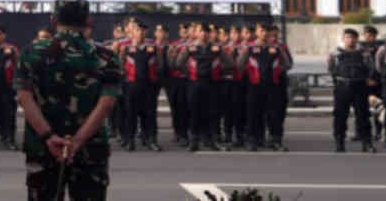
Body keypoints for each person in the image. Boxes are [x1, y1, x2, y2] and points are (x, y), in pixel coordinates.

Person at [16, 0, 120, 201]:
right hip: (90, 147)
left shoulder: (33, 52)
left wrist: (48, 137)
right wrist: (78, 141)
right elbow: (107, 103)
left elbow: (24, 98)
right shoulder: (106, 55)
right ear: (88, 20)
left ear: (53, 20)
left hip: (43, 148)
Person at [176, 23, 234, 152]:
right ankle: (194, 141)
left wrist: (218, 71)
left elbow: (230, 63)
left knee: (213, 113)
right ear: (196, 33)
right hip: (194, 84)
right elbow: (178, 63)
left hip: (212, 84)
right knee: (194, 113)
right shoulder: (190, 48)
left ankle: (213, 140)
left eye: (206, 31)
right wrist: (191, 72)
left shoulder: (216, 48)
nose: (204, 33)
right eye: (201, 31)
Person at [237, 23, 292, 151]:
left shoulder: (276, 48)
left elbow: (287, 64)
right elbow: (239, 64)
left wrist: (277, 70)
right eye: (261, 31)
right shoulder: (250, 48)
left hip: (272, 86)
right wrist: (250, 71)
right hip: (254, 86)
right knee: (253, 114)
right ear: (256, 32)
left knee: (274, 114)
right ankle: (253, 140)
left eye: (266, 31)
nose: (264, 33)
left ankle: (276, 140)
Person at [329, 28, 376, 153]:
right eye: (347, 37)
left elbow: (371, 68)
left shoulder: (364, 53)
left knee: (363, 116)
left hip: (359, 86)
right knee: (340, 116)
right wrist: (338, 80)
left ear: (356, 39)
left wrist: (366, 79)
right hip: (342, 86)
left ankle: (367, 143)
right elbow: (331, 69)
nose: (350, 40)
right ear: (343, 39)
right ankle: (339, 143)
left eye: (353, 37)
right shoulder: (336, 53)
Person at [119, 20, 162, 151]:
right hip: (132, 85)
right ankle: (130, 140)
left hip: (149, 85)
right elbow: (121, 67)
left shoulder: (153, 48)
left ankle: (151, 139)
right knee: (130, 113)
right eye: (138, 30)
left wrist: (156, 82)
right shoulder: (126, 48)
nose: (141, 33)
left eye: (143, 30)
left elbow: (159, 66)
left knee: (150, 114)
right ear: (132, 32)